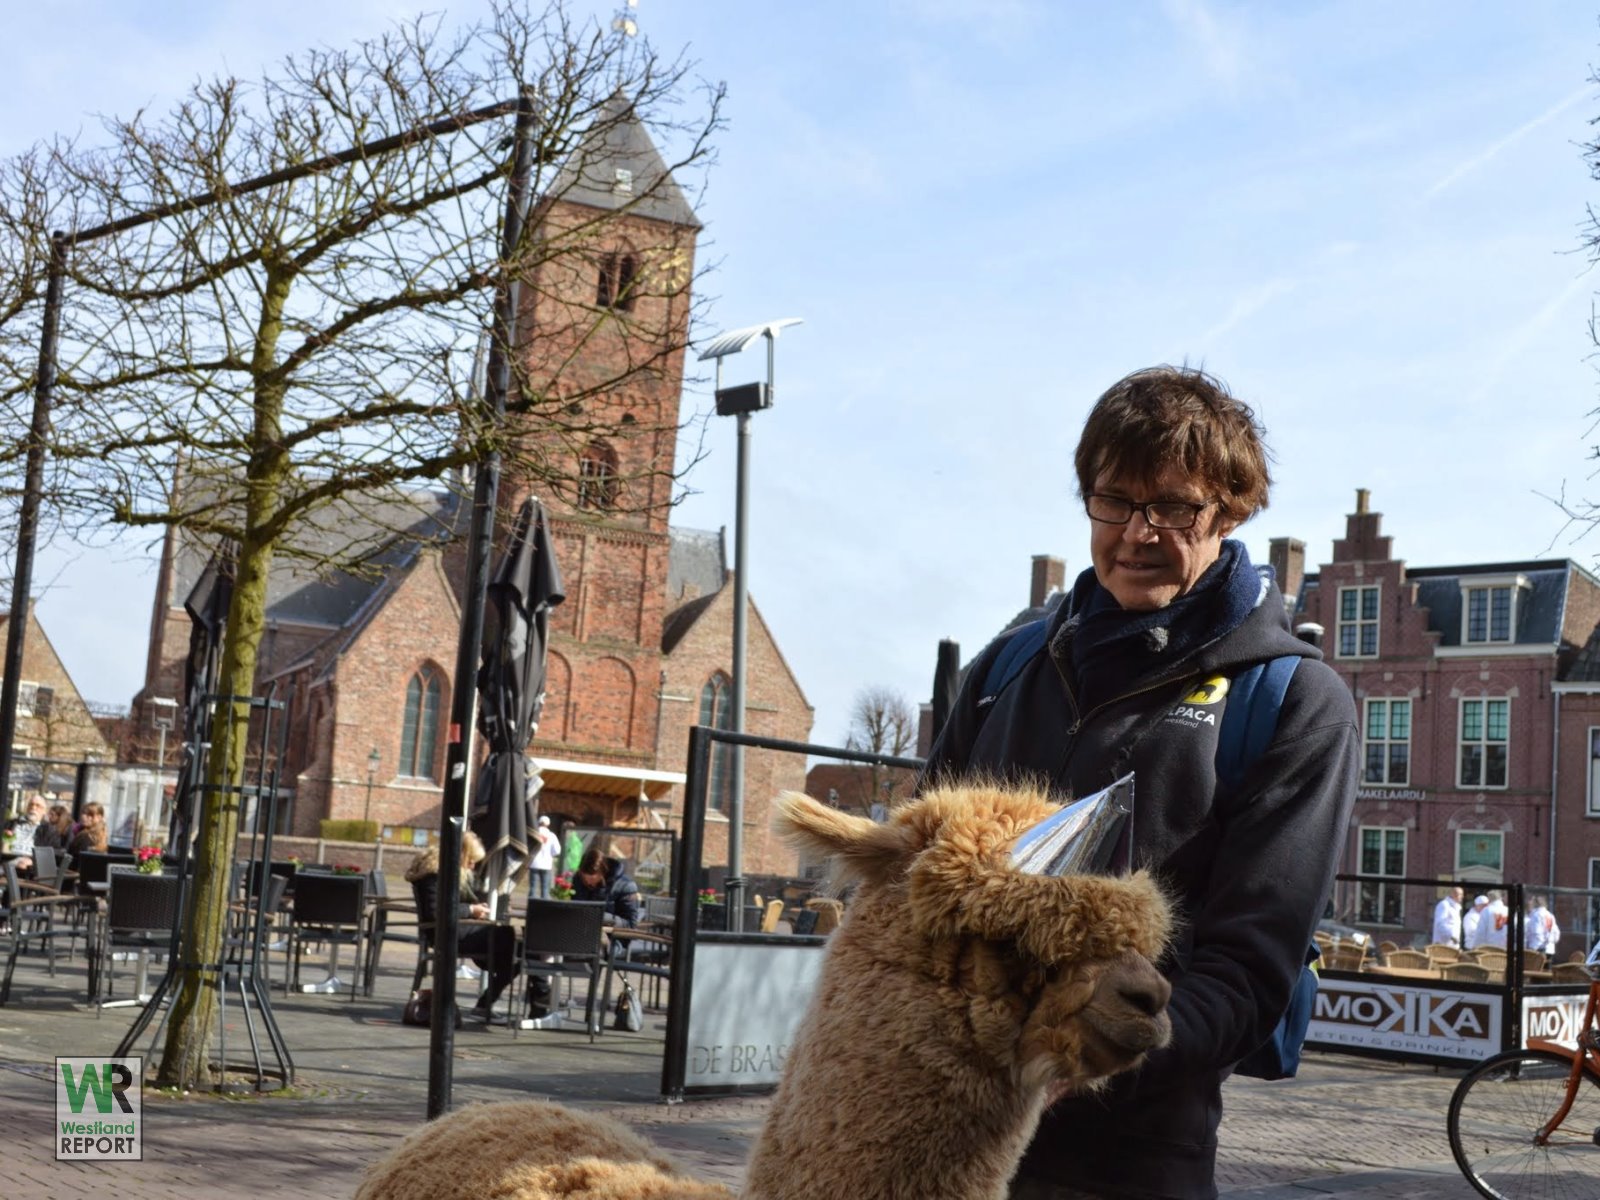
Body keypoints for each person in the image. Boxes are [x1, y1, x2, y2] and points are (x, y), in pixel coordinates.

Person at [920, 366, 1359, 1200]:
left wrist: (1096, 1056)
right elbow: (917, 872)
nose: (1136, 532)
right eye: (1114, 501)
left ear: (1229, 511)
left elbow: (1250, 966)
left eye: (1174, 508)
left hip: (1127, 1155)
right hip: (948, 1120)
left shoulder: (1296, 703)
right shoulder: (1005, 667)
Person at [404, 831, 517, 1023]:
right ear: (461, 854)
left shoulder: (444, 873)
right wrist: (471, 910)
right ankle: (495, 1001)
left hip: (454, 931)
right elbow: (437, 911)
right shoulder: (436, 875)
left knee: (516, 948)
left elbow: (450, 904)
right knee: (513, 944)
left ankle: (491, 999)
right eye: (471, 860)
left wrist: (474, 906)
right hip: (446, 934)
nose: (473, 866)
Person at [571, 848, 644, 928]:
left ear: (602, 872)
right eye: (584, 879)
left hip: (611, 936)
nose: (588, 882)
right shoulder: (578, 881)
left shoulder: (625, 886)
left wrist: (600, 917)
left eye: (592, 879)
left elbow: (631, 925)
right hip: (580, 933)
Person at [1, 794, 51, 876]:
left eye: (38, 806)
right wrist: (5, 838)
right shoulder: (12, 823)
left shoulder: (48, 830)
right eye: (31, 804)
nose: (33, 808)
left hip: (29, 864)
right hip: (7, 859)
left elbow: (50, 853)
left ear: (44, 811)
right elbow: (4, 844)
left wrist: (33, 860)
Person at [529, 815, 560, 900]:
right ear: (548, 824)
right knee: (545, 888)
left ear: (539, 823)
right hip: (546, 864)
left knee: (532, 888)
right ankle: (544, 906)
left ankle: (532, 905)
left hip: (534, 863)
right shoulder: (552, 835)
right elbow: (557, 850)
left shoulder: (534, 833)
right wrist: (551, 855)